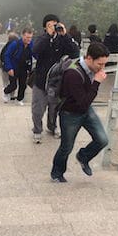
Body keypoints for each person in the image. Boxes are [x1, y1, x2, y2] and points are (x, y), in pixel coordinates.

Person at [51, 42, 110, 183]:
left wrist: (95, 78)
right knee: (66, 147)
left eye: (104, 64)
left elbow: (85, 103)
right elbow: (83, 102)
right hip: (70, 113)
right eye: (99, 64)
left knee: (102, 140)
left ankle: (83, 156)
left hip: (85, 110)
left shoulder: (90, 69)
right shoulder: (73, 74)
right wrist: (96, 82)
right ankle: (57, 173)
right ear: (89, 58)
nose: (102, 68)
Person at [31, 14, 79, 143]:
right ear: (45, 27)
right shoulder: (41, 38)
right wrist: (48, 36)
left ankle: (52, 127)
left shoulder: (63, 39)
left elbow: (75, 53)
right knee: (38, 109)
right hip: (41, 80)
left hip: (57, 82)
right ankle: (37, 130)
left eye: (55, 24)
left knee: (54, 108)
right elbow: (35, 51)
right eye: (49, 25)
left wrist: (65, 35)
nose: (53, 27)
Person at [2, 27, 34, 105]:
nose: (29, 39)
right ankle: (5, 91)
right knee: (13, 85)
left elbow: (35, 54)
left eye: (30, 37)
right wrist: (9, 68)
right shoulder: (15, 44)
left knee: (23, 85)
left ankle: (19, 99)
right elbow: (7, 55)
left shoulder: (31, 45)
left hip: (24, 67)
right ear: (22, 36)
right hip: (14, 67)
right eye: (27, 37)